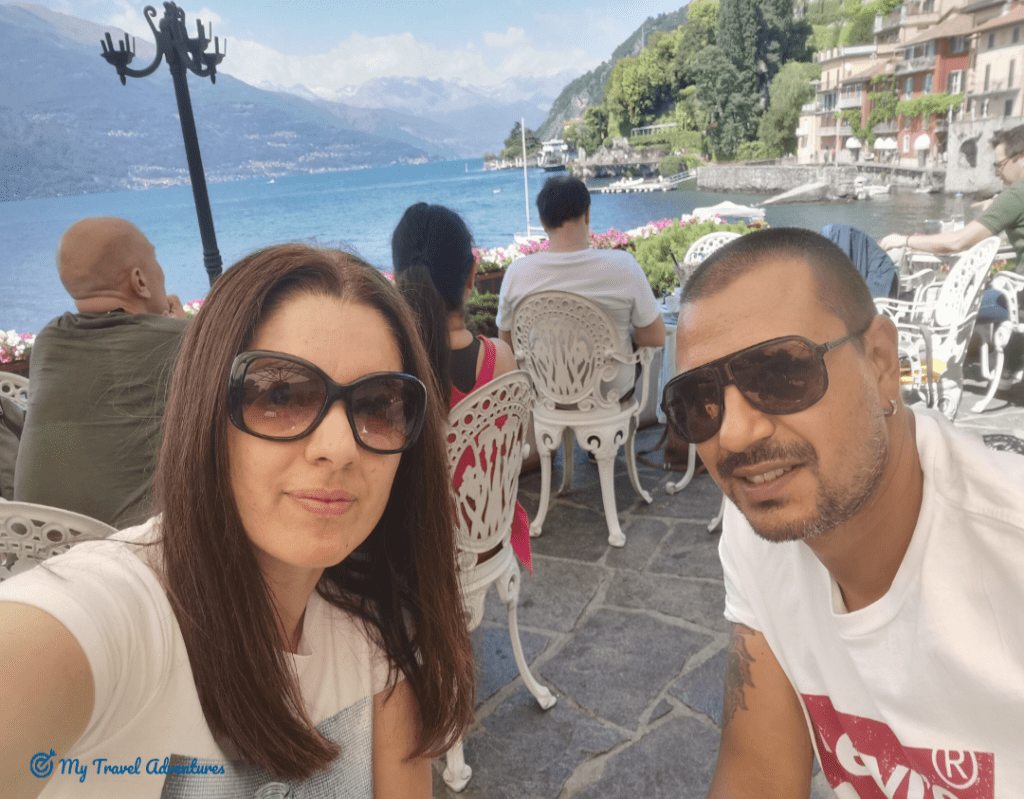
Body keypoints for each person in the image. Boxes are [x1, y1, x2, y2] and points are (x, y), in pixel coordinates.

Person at [0, 244, 475, 798]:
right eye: (281, 394)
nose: (340, 447)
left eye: (377, 405)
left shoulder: (377, 620)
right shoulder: (114, 620)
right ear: (206, 410)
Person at [661, 228, 1024, 797]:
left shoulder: (1009, 549)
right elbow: (758, 776)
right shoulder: (761, 529)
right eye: (699, 401)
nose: (733, 434)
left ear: (880, 361)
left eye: (779, 372)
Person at [13, 217, 188, 527]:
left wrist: (172, 330)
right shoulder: (183, 340)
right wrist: (185, 331)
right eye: (155, 259)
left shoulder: (49, 341)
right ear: (140, 281)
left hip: (37, 539)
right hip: (131, 545)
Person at [392, 201, 531, 571]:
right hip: (490, 534)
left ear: (398, 282)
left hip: (421, 553)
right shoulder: (500, 358)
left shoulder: (392, 371)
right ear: (472, 275)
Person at [496, 174, 666, 399]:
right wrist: (620, 337)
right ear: (587, 214)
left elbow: (507, 344)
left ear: (543, 222)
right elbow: (656, 337)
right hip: (610, 393)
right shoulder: (623, 266)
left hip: (546, 394)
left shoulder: (516, 273)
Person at [879, 125, 1024, 382]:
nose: (997, 173)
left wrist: (906, 240)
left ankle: (920, 377)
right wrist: (996, 205)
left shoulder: (1016, 194)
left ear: (1020, 157)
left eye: (999, 165)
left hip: (1020, 299)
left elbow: (958, 242)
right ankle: (1006, 369)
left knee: (942, 310)